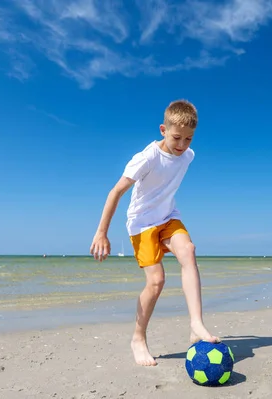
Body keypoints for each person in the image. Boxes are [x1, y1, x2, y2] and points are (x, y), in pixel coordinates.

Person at [89, 99, 220, 366]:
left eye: (189, 139)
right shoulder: (146, 158)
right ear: (163, 129)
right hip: (142, 223)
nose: (182, 145)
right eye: (176, 138)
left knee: (188, 251)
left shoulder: (188, 156)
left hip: (169, 217)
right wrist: (101, 232)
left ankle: (196, 324)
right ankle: (138, 338)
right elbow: (115, 192)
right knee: (156, 281)